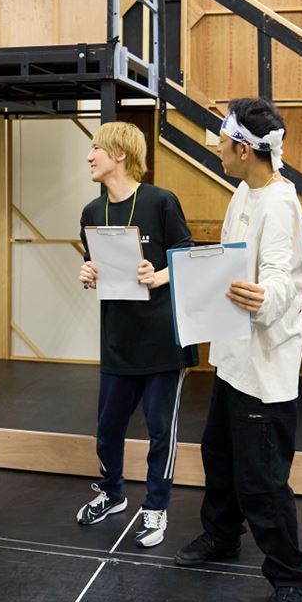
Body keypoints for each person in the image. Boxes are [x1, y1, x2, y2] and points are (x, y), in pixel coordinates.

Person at [172, 98, 302, 602]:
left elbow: (282, 276)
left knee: (262, 480)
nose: (216, 146)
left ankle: (290, 577)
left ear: (244, 149)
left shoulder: (279, 204)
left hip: (264, 365)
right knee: (220, 454)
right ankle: (222, 534)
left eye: (222, 138)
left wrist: (265, 295)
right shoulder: (244, 191)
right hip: (234, 357)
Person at [76, 121, 198, 547]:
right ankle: (112, 494)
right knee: (107, 429)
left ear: (120, 153)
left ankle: (155, 508)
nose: (89, 156)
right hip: (118, 340)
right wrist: (88, 273)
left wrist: (158, 274)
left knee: (161, 431)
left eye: (96, 148)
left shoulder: (161, 202)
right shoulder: (92, 213)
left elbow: (188, 258)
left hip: (164, 342)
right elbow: (95, 264)